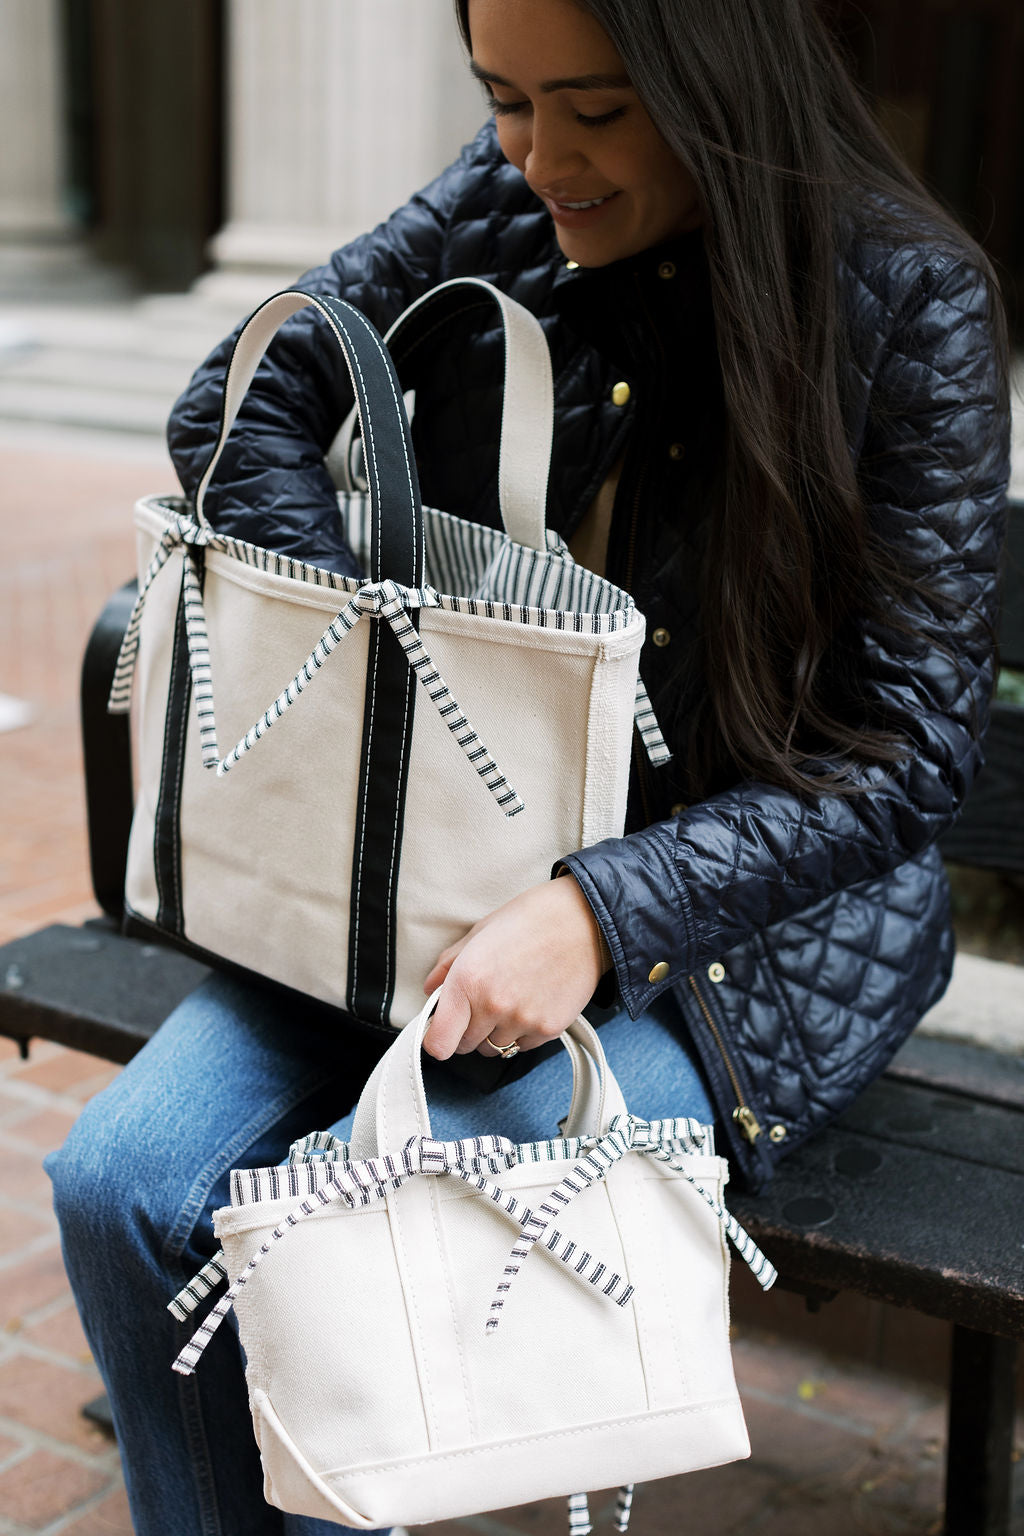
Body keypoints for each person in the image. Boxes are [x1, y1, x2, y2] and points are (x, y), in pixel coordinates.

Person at [47, 0, 1009, 1532]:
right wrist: (377, 648)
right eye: (503, 97)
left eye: (598, 111)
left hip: (749, 928)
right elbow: (238, 400)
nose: (543, 155)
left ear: (719, 82)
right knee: (123, 1182)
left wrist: (600, 913)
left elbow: (907, 753)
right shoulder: (508, 198)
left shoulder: (908, 305)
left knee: (370, 1228)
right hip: (449, 861)